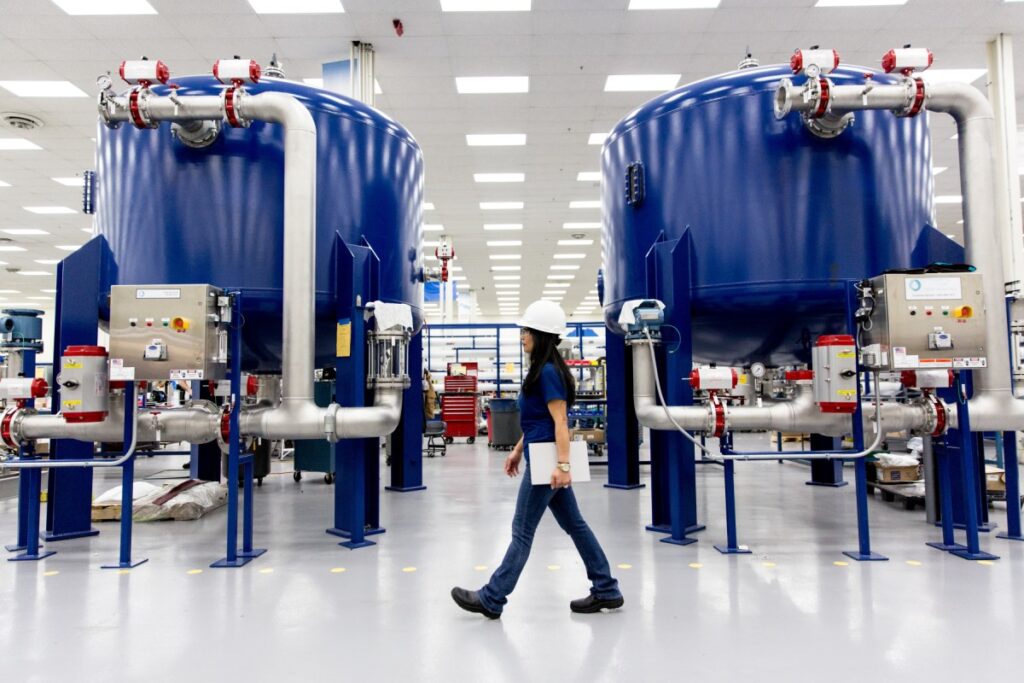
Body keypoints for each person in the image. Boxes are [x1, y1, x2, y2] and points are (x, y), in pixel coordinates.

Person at [451, 300, 623, 619]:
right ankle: (606, 588)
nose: (522, 336)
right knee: (576, 525)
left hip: (547, 463)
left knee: (522, 531)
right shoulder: (542, 370)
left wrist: (563, 465)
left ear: (541, 334)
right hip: (540, 454)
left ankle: (492, 597)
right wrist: (517, 449)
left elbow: (560, 421)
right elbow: (537, 420)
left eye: (527, 330)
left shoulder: (548, 372)